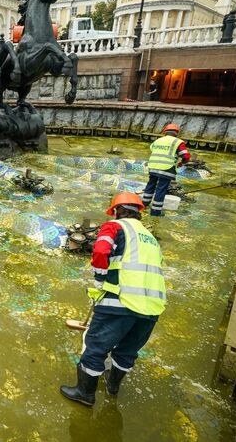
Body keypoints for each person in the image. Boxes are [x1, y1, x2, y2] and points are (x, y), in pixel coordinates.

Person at [60, 192, 166, 407]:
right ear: (139, 213)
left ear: (116, 211)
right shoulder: (150, 238)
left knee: (96, 347)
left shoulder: (115, 226)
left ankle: (85, 393)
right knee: (128, 350)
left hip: (120, 301)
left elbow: (100, 251)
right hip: (153, 307)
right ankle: (112, 386)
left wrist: (100, 278)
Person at [140, 123, 190, 216]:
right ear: (177, 133)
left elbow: (152, 149)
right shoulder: (178, 142)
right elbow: (185, 156)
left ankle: (143, 205)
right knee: (161, 189)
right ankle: (155, 212)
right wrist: (182, 163)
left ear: (165, 132)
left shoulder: (158, 140)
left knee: (150, 186)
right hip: (166, 168)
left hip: (153, 166)